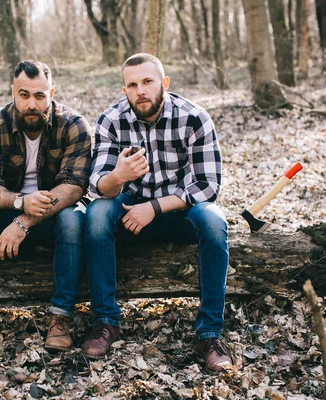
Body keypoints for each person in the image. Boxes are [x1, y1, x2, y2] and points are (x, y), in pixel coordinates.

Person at [83, 53, 233, 372]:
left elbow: (208, 186)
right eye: (132, 85)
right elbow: (99, 186)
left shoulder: (193, 117)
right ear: (125, 90)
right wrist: (119, 176)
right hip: (127, 212)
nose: (141, 91)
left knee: (215, 221)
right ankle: (106, 322)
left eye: (148, 82)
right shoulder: (111, 120)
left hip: (180, 213)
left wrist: (153, 207)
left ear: (164, 83)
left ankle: (209, 333)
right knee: (95, 215)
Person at [0, 60, 91, 355]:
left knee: (73, 221)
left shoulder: (74, 126)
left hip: (55, 214)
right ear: (13, 92)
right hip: (10, 208)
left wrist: (23, 222)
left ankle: (60, 318)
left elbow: (73, 187)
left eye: (39, 96)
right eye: (24, 95)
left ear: (51, 93)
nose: (31, 104)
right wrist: (20, 204)